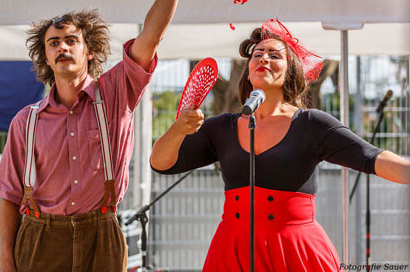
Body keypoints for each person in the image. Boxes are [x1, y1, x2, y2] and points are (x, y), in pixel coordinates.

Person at [0, 0, 200, 271]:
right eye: (54, 42)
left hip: (102, 233)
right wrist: (6, 263)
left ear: (88, 51)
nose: (62, 47)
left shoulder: (117, 92)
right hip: (40, 238)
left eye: (71, 40)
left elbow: (152, 34)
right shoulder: (25, 122)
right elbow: (9, 196)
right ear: (45, 56)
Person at [150, 19, 410, 271]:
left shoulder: (312, 124)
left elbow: (371, 157)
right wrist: (177, 130)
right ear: (249, 70)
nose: (263, 58)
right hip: (232, 249)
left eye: (275, 55)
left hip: (296, 250)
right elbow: (160, 163)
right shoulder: (222, 127)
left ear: (290, 71)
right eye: (257, 54)